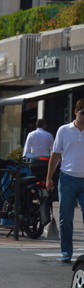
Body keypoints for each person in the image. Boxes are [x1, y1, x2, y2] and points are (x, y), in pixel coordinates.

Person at [46, 98, 84, 263]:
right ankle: (66, 251)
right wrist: (49, 178)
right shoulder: (64, 130)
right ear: (76, 112)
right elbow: (55, 155)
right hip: (67, 178)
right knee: (65, 217)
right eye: (83, 113)